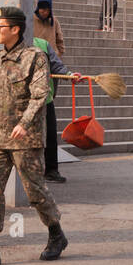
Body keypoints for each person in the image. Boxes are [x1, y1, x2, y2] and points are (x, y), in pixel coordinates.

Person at [0, 7, 67, 265]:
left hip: (26, 139)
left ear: (16, 29)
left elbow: (40, 95)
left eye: (1, 26)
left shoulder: (35, 57)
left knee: (35, 191)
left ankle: (56, 234)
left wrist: (24, 123)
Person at [32, 35, 82, 184]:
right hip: (22, 102)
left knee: (50, 135)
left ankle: (51, 171)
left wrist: (69, 75)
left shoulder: (42, 44)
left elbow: (56, 65)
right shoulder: (11, 46)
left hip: (45, 99)